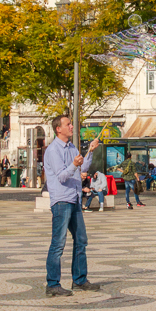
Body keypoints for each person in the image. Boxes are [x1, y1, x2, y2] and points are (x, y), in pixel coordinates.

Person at [43, 115, 101, 296]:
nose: (71, 126)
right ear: (58, 129)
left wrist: (90, 152)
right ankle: (52, 284)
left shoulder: (72, 147)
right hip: (61, 200)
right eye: (67, 124)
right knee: (58, 243)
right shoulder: (53, 150)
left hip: (75, 198)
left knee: (81, 240)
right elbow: (61, 176)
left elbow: (82, 169)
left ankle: (80, 280)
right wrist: (73, 165)